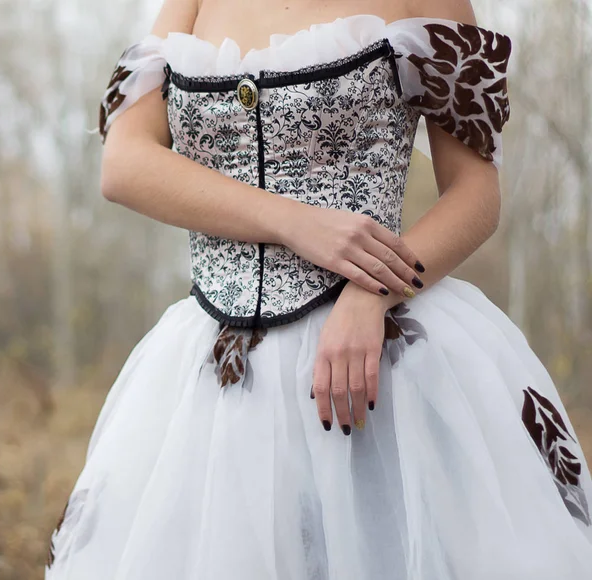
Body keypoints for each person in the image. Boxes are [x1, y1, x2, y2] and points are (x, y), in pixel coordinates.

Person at [45, 0, 592, 578]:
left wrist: (374, 293)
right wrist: (295, 221)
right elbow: (124, 163)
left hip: (382, 364)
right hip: (217, 379)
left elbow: (477, 197)